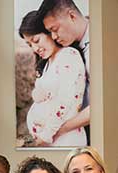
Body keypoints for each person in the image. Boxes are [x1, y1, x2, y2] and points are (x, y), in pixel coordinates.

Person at [19, 11, 87, 147]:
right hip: (51, 139)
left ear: (50, 32)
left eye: (36, 40)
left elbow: (66, 100)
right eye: (29, 44)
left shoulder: (68, 55)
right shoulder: (47, 63)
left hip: (65, 138)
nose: (35, 48)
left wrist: (45, 135)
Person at [39, 0, 90, 143]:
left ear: (72, 16)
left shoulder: (97, 49)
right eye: (50, 32)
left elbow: (99, 106)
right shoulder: (68, 51)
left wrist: (57, 131)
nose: (54, 37)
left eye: (55, 29)